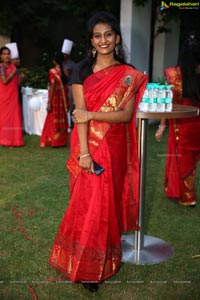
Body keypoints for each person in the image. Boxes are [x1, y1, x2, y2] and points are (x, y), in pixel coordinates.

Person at [48, 11, 147, 292]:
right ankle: (88, 266)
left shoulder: (128, 75)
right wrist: (84, 154)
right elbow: (78, 117)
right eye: (97, 36)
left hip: (114, 146)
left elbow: (126, 116)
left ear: (116, 38)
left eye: (108, 35)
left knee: (108, 203)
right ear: (91, 41)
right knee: (89, 205)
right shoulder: (80, 70)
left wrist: (90, 114)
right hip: (88, 146)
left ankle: (104, 260)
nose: (103, 40)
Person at [155, 32, 200, 206]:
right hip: (196, 122)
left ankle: (187, 195)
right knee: (190, 159)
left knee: (181, 159)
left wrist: (162, 125)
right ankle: (183, 192)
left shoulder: (172, 74)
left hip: (181, 123)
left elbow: (166, 102)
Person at [40, 52, 69, 147]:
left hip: (56, 98)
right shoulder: (65, 70)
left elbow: (52, 86)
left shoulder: (52, 71)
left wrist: (49, 102)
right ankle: (61, 141)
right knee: (62, 118)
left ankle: (54, 141)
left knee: (53, 117)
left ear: (54, 60)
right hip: (63, 98)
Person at [0, 46, 24, 147]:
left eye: (8, 54)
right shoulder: (1, 67)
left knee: (15, 117)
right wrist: (14, 72)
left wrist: (20, 80)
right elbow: (4, 81)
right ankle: (5, 140)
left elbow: (15, 84)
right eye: (4, 54)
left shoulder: (13, 67)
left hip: (13, 97)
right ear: (1, 56)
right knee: (6, 118)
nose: (7, 56)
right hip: (4, 97)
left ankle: (15, 140)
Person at [61, 39, 76, 131]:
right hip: (62, 86)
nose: (64, 56)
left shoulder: (72, 64)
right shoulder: (61, 63)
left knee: (69, 105)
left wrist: (66, 73)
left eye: (65, 54)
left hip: (69, 86)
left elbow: (72, 77)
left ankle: (70, 124)